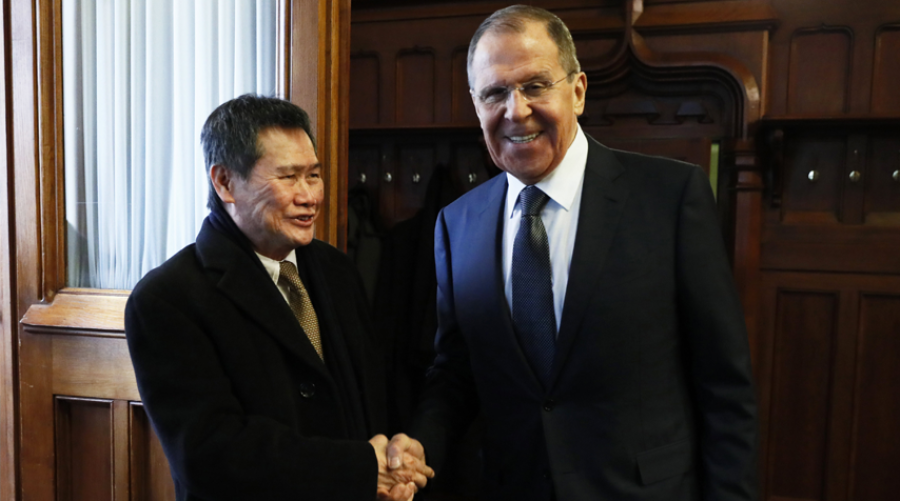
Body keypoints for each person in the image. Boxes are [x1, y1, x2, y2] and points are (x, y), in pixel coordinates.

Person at [392, 5, 758, 501]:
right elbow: (455, 373)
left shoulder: (670, 197)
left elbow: (724, 386)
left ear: (578, 91)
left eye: (536, 85)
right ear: (477, 105)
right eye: (495, 93)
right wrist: (418, 448)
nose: (515, 110)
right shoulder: (457, 225)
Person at [125, 95, 432, 501]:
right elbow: (210, 455)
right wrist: (359, 469)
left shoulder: (336, 270)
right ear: (224, 182)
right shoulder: (168, 298)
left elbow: (372, 398)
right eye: (288, 177)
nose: (309, 196)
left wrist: (395, 458)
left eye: (314, 175)